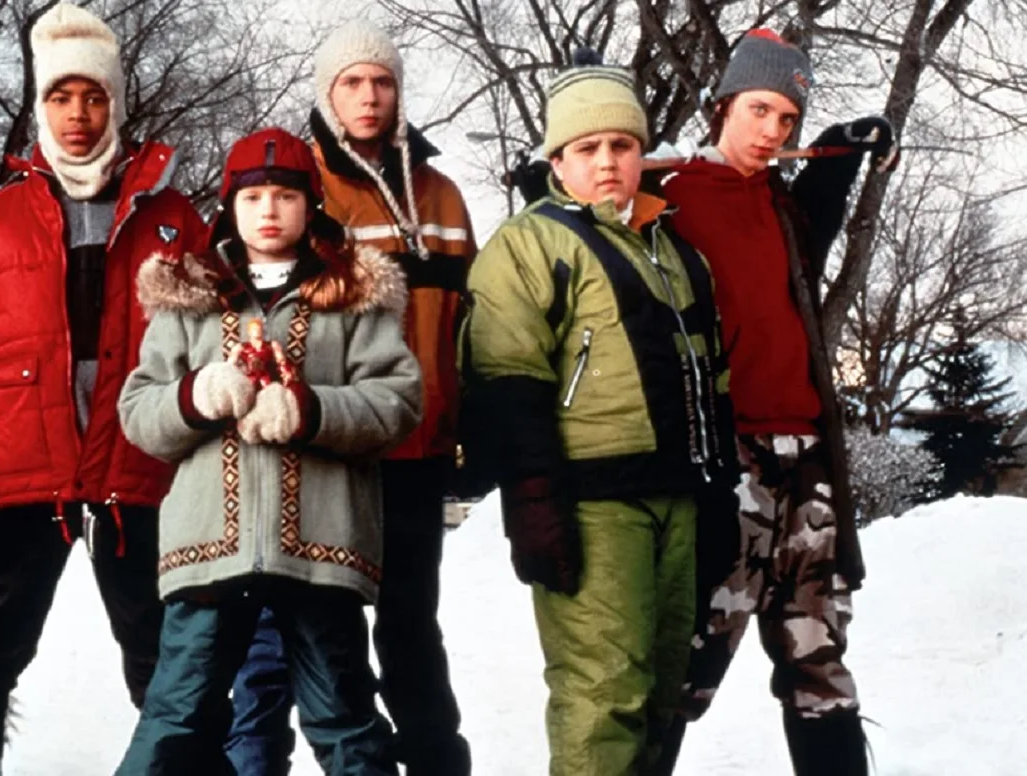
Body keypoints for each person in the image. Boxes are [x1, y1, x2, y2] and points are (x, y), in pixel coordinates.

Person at [0, 5, 205, 774]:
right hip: (13, 474)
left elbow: (210, 341)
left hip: (141, 475)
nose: (78, 115)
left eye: (95, 98)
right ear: (40, 104)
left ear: (117, 104)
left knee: (173, 671)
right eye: (62, 97)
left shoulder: (172, 221)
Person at [460, 50, 737, 776]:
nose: (607, 161)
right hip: (590, 504)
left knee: (663, 694)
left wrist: (719, 491)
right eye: (587, 148)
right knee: (603, 693)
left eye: (622, 145)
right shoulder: (530, 244)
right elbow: (504, 375)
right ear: (558, 159)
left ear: (644, 153)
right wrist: (533, 497)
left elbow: (715, 376)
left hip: (678, 495)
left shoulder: (676, 250)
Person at [114, 127, 420, 776]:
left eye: (286, 196)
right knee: (173, 719)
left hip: (321, 548)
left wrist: (311, 410)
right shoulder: (189, 296)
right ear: (230, 206)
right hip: (208, 553)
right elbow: (139, 413)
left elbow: (396, 402)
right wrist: (198, 395)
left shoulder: (351, 295)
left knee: (345, 721)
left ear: (312, 206)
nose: (270, 211)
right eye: (254, 199)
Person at [226, 20, 475, 776]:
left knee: (410, 629)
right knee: (296, 634)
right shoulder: (304, 190)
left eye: (382, 81)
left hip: (419, 450)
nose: (369, 96)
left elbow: (472, 327)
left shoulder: (441, 192)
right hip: (329, 451)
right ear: (327, 96)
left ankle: (435, 764)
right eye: (351, 82)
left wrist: (468, 434)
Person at [651, 29, 898, 776]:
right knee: (690, 658)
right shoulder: (666, 195)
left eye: (788, 120)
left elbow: (825, 190)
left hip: (809, 463)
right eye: (760, 109)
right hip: (729, 462)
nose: (772, 130)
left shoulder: (785, 207)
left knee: (819, 665)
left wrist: (845, 142)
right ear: (723, 103)